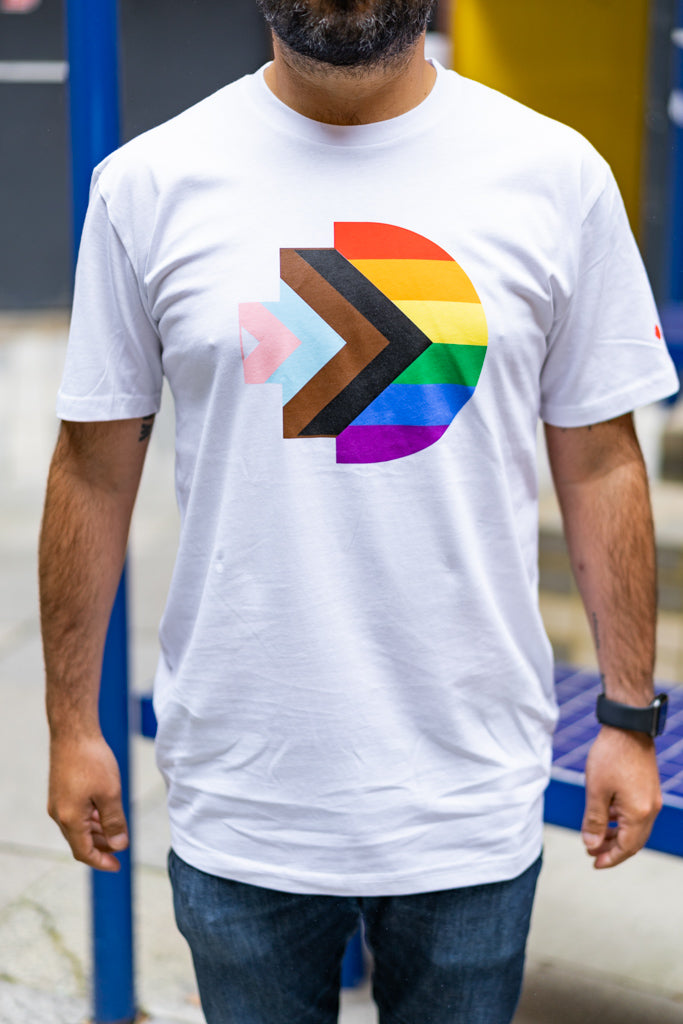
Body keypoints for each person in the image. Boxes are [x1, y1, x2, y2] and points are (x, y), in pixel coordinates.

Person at [39, 2, 679, 1022]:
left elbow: (601, 461)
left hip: (468, 793)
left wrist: (625, 717)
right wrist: (72, 723)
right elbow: (90, 468)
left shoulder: (554, 175)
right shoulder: (148, 185)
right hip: (243, 798)